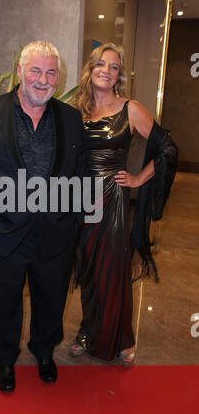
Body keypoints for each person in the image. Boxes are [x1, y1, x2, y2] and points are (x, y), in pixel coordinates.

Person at [0, 41, 84, 392]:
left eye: (51, 72)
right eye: (36, 70)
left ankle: (44, 352)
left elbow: (81, 174)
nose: (43, 80)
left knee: (51, 299)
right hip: (2, 230)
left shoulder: (72, 118)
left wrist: (73, 219)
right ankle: (4, 358)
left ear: (58, 77)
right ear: (19, 71)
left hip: (54, 231)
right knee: (3, 300)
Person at [69, 43, 177, 366]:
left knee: (113, 271)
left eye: (113, 66)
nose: (106, 70)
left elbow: (166, 148)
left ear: (119, 75)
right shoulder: (78, 109)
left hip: (113, 201)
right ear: (91, 68)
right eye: (101, 64)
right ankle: (87, 332)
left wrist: (139, 178)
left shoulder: (130, 108)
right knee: (88, 269)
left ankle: (122, 338)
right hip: (82, 199)